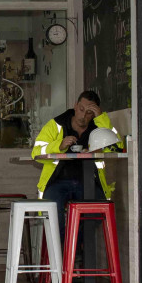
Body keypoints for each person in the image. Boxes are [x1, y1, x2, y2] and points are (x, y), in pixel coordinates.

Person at [31, 89, 121, 238]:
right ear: (75, 106)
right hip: (57, 181)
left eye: (89, 112)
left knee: (97, 210)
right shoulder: (56, 125)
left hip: (89, 182)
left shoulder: (99, 127)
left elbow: (117, 146)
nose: (84, 115)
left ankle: (72, 247)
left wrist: (101, 118)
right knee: (53, 213)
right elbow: (36, 153)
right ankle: (62, 252)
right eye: (81, 109)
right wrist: (59, 145)